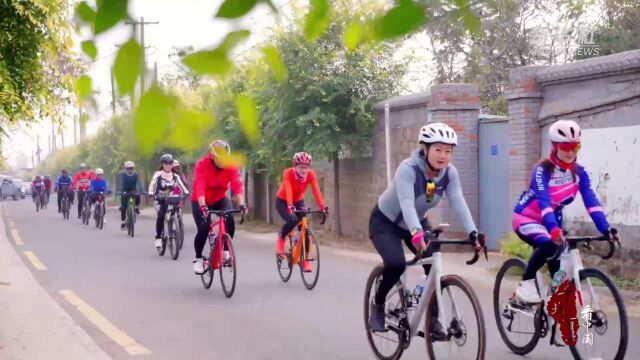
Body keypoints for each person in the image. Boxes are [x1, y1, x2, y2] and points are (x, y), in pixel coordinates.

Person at [367, 122, 483, 333]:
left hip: (418, 222)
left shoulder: (449, 173)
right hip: (386, 222)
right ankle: (378, 303)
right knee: (395, 264)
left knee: (433, 267)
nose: (443, 155)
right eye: (438, 149)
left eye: (448, 151)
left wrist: (473, 233)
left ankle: (432, 320)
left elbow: (458, 202)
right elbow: (406, 203)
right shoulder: (408, 169)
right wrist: (416, 233)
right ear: (425, 149)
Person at [512, 120, 617, 303]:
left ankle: (551, 306)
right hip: (527, 219)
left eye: (575, 146)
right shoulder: (541, 171)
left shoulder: (579, 174)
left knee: (559, 271)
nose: (570, 152)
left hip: (552, 223)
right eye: (565, 147)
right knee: (548, 243)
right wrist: (553, 229)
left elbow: (591, 201)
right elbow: (544, 203)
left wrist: (606, 228)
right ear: (554, 147)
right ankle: (526, 284)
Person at [191, 140, 248, 274]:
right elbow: (200, 187)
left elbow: (237, 185)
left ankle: (225, 251)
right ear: (212, 155)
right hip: (200, 199)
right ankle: (198, 258)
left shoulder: (230, 166)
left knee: (230, 220)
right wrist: (203, 206)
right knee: (204, 228)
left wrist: (241, 203)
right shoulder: (202, 165)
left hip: (219, 198)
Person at [275, 152, 328, 272]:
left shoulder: (310, 175)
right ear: (295, 166)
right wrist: (289, 205)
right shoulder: (288, 173)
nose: (304, 170)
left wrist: (322, 206)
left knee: (304, 227)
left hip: (298, 201)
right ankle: (281, 238)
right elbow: (287, 188)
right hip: (283, 201)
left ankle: (305, 261)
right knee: (292, 220)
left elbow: (316, 190)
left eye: (306, 167)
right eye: (300, 167)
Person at [149, 154, 189, 249]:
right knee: (161, 216)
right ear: (162, 164)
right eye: (166, 163)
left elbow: (181, 185)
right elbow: (152, 184)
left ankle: (174, 228)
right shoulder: (158, 174)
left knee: (176, 211)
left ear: (172, 164)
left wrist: (186, 192)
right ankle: (158, 237)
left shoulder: (175, 176)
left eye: (170, 163)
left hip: (171, 198)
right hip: (160, 198)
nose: (168, 165)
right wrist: (151, 192)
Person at [117, 161, 144, 230]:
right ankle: (123, 222)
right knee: (124, 207)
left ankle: (136, 207)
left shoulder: (136, 174)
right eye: (128, 168)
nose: (130, 169)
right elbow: (120, 183)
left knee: (138, 196)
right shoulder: (122, 175)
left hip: (133, 190)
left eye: (131, 168)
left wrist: (142, 191)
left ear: (133, 168)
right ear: (126, 169)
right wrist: (120, 190)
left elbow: (139, 183)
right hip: (124, 190)